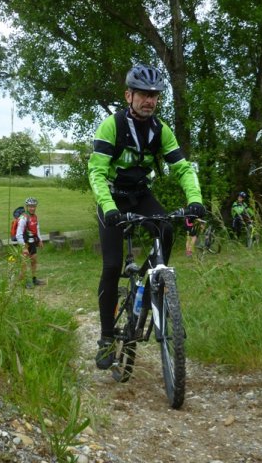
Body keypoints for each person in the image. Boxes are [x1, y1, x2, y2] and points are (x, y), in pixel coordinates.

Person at [88, 63, 205, 370]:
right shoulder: (111, 126)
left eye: (154, 95)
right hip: (111, 197)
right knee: (112, 266)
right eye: (142, 94)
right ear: (129, 95)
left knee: (166, 228)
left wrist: (195, 200)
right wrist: (110, 208)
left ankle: (156, 281)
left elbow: (182, 168)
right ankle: (105, 338)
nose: (149, 100)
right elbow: (97, 173)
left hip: (140, 194)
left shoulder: (160, 130)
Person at [16, 197, 45, 288]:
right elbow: (18, 234)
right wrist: (24, 247)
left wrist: (40, 240)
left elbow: (37, 229)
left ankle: (34, 279)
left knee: (34, 261)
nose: (32, 208)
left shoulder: (35, 217)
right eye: (30, 206)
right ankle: (22, 282)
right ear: (27, 207)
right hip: (24, 243)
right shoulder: (23, 217)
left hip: (32, 243)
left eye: (34, 206)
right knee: (24, 264)